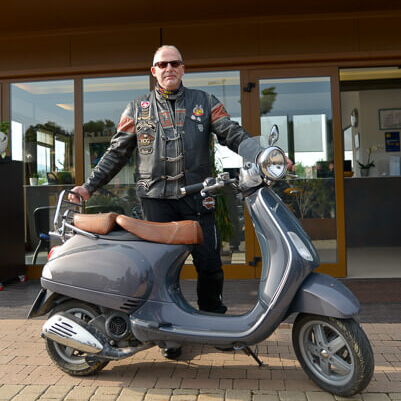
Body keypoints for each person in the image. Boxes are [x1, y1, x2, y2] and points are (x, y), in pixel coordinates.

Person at [69, 45, 252, 358]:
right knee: (160, 270)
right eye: (162, 64)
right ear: (153, 70)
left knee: (209, 264)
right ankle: (167, 333)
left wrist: (259, 153)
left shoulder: (205, 102)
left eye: (175, 63)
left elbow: (231, 132)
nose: (169, 69)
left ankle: (215, 324)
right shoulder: (136, 108)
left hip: (198, 197)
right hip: (155, 201)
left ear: (183, 68)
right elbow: (116, 153)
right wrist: (88, 187)